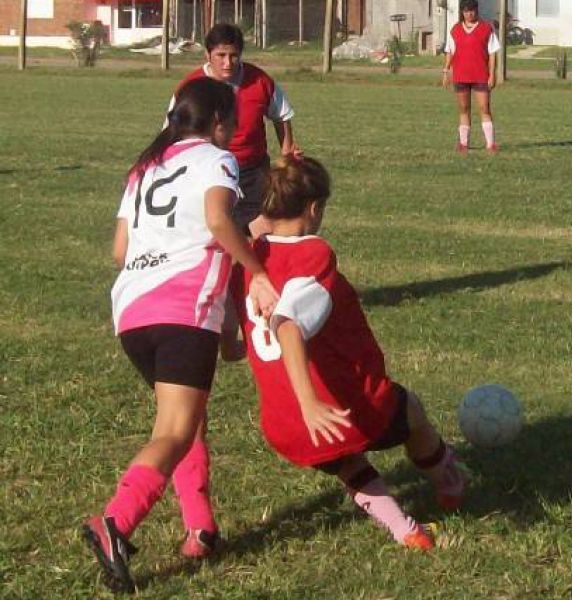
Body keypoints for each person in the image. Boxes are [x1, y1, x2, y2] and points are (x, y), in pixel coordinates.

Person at [82, 78, 279, 594]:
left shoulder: (145, 166)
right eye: (233, 121)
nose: (235, 130)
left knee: (186, 420)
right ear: (217, 122)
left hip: (131, 311)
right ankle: (115, 524)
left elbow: (120, 250)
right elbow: (218, 221)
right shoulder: (217, 159)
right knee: (172, 431)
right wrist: (256, 272)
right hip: (181, 310)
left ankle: (201, 528)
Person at [235, 156, 466, 550]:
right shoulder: (313, 256)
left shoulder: (250, 258)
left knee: (346, 462)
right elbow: (289, 324)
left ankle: (405, 530)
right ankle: (451, 484)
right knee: (411, 410)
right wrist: (309, 401)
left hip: (283, 423)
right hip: (338, 408)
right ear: (314, 208)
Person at [170, 23, 302, 236]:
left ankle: (250, 265)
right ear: (207, 54)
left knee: (256, 228)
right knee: (213, 226)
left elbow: (282, 115)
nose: (227, 62)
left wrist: (286, 154)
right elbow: (172, 130)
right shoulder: (191, 85)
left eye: (233, 55)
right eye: (220, 55)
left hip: (251, 170)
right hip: (205, 170)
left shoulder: (259, 81)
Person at [442, 0, 501, 154]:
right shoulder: (455, 30)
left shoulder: (486, 28)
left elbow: (492, 52)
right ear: (462, 12)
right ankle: (463, 144)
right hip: (461, 75)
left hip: (481, 75)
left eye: (472, 10)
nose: (469, 13)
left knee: (484, 108)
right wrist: (446, 70)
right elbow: (449, 51)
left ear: (477, 10)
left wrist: (492, 74)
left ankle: (490, 144)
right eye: (466, 11)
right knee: (463, 108)